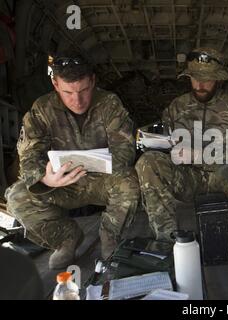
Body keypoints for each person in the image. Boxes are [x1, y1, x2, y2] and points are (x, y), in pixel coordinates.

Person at [135, 47, 228, 263]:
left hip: (226, 177)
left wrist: (200, 154)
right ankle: (166, 240)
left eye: (207, 79)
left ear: (219, 79)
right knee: (148, 163)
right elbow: (166, 141)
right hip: (187, 178)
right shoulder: (177, 107)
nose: (200, 85)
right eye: (195, 79)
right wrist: (154, 143)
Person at [5, 53, 140, 269]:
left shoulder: (109, 104)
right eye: (68, 92)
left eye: (84, 90)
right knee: (17, 196)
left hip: (101, 180)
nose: (77, 100)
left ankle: (110, 238)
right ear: (55, 83)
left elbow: (125, 150)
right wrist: (44, 179)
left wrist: (100, 165)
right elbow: (29, 154)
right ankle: (66, 239)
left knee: (130, 181)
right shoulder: (42, 109)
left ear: (93, 81)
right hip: (61, 184)